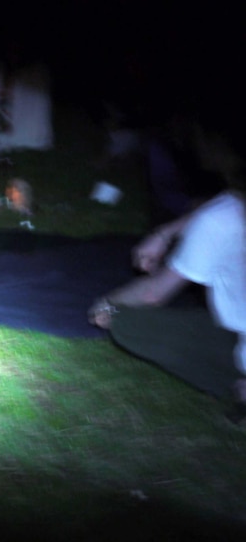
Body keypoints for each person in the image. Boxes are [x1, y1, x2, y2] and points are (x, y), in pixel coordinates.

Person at [89, 123, 245, 409]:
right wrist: (167, 232)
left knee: (127, 323)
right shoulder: (224, 210)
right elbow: (225, 203)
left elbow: (154, 293)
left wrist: (107, 304)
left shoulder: (219, 221)